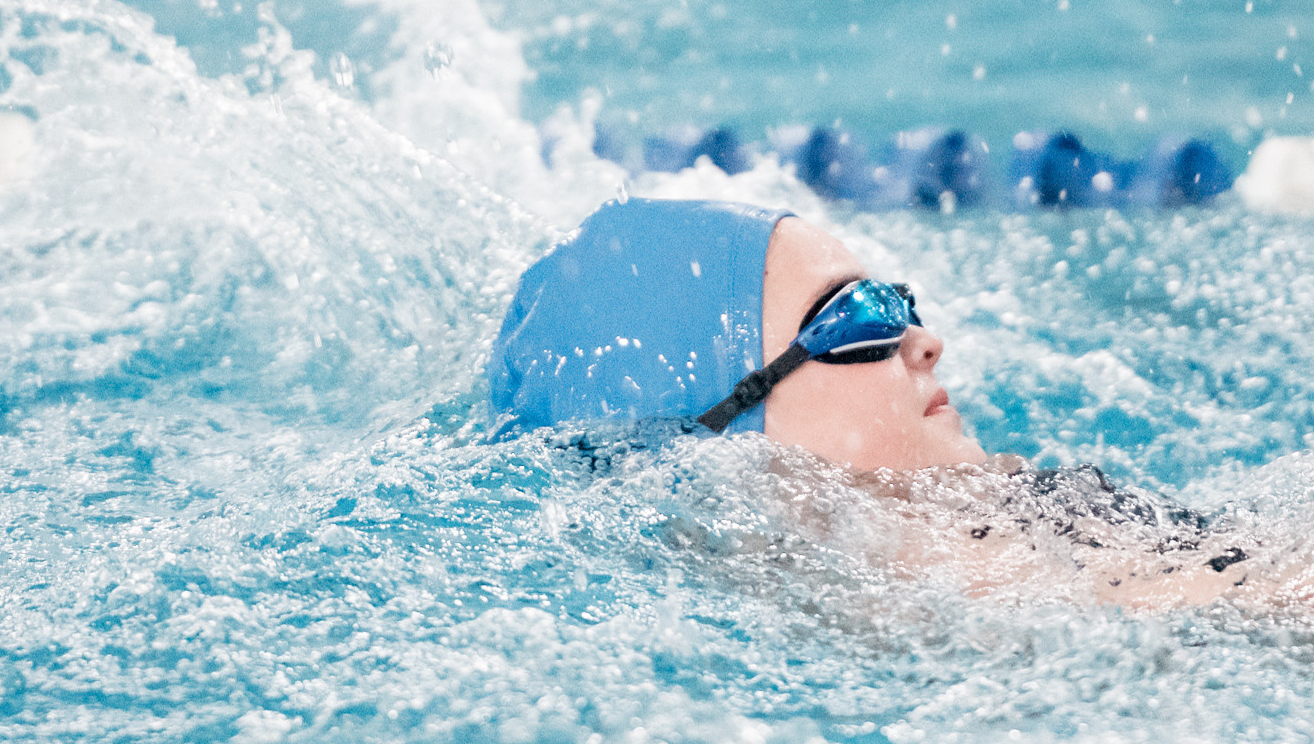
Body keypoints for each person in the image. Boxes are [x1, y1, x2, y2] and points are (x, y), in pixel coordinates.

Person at [489, 197, 1253, 607]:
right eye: (857, 319)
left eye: (900, 303)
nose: (925, 342)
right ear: (722, 422)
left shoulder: (1067, 515)